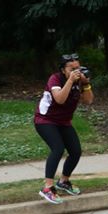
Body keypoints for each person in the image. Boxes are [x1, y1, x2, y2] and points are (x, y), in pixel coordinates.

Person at [34, 53, 94, 203]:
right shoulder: (55, 79)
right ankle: (47, 187)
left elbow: (88, 101)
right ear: (63, 70)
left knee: (75, 151)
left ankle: (64, 181)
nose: (76, 71)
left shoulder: (79, 80)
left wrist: (86, 84)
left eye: (78, 68)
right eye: (72, 68)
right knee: (58, 149)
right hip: (45, 120)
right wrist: (70, 81)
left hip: (63, 121)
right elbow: (60, 99)